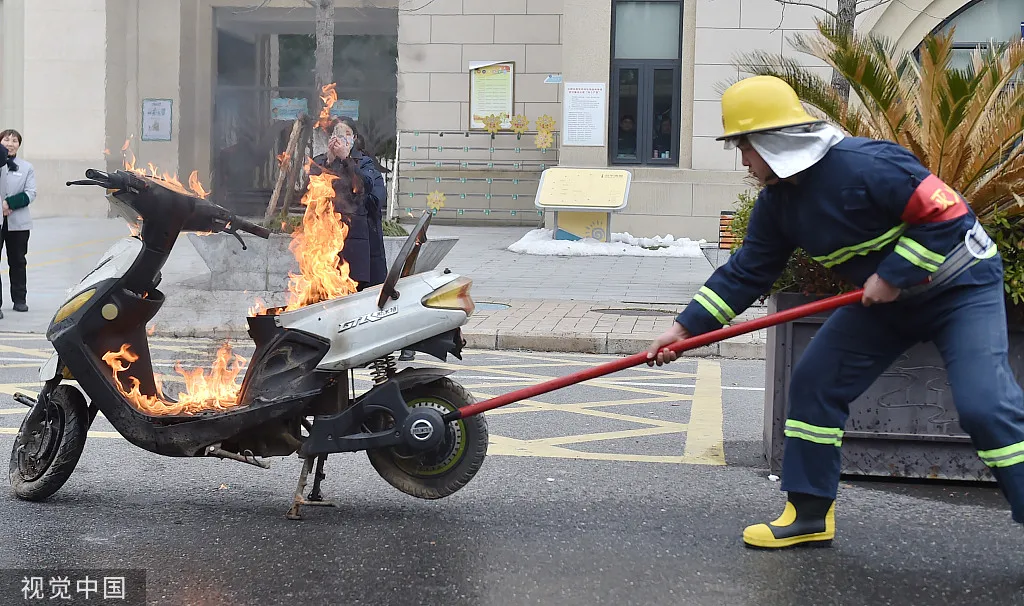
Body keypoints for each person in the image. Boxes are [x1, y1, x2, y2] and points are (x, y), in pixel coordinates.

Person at [645, 75, 1024, 549]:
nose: (743, 161)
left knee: (984, 407)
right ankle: (808, 514)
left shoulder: (868, 165)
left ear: (773, 141)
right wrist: (683, 330)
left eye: (744, 147)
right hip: (885, 302)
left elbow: (949, 218)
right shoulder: (778, 205)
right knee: (814, 383)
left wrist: (892, 274)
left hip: (960, 287)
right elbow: (745, 274)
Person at [308, 117, 387, 291]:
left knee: (359, 290)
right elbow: (313, 186)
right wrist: (330, 161)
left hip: (358, 241)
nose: (341, 138)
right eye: (337, 134)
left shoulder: (364, 162)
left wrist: (346, 159)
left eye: (347, 134)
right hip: (328, 239)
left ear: (355, 138)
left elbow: (364, 187)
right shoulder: (321, 161)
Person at [0, 129, 35, 318]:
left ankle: (19, 299)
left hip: (18, 223)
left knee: (18, 262)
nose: (10, 143)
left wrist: (9, 204)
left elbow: (31, 193)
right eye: (6, 139)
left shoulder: (26, 167)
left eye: (14, 140)